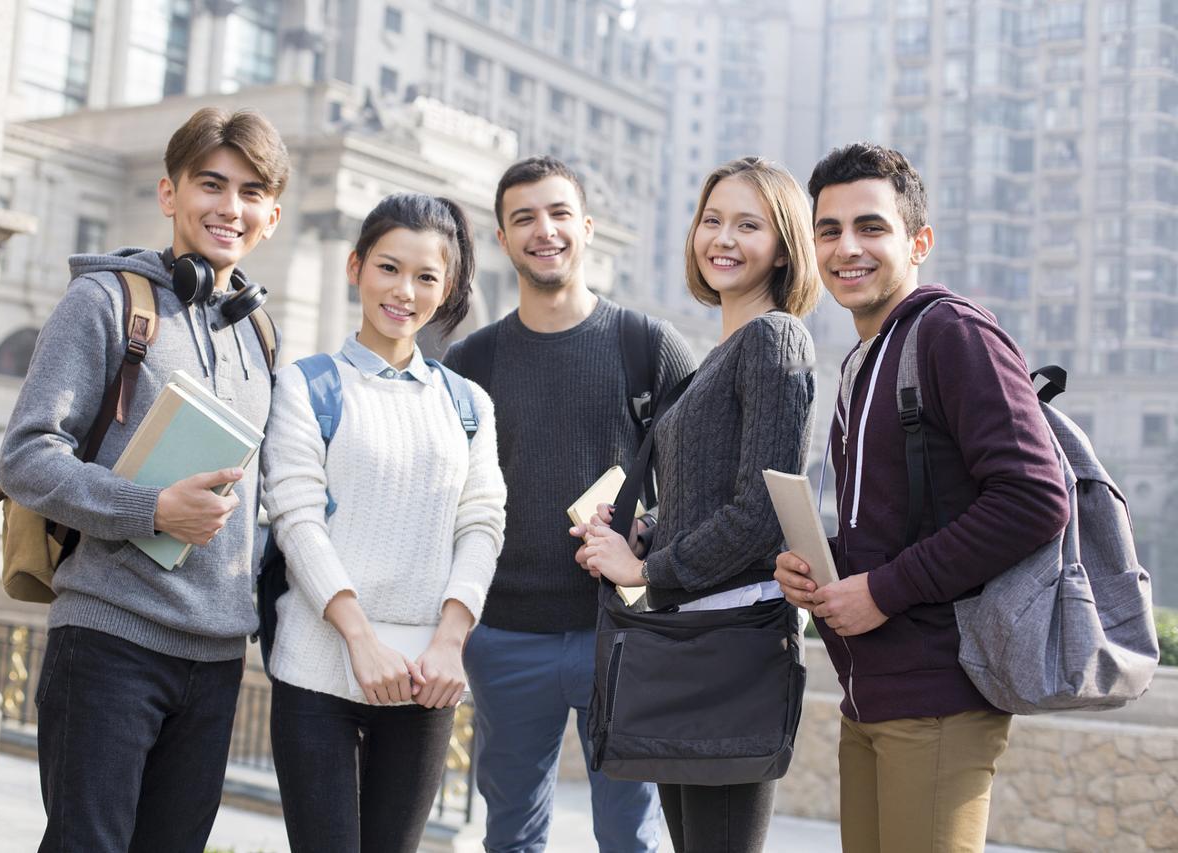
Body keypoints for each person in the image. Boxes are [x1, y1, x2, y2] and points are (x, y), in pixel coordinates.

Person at [0, 107, 288, 852]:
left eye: (251, 192)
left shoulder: (260, 333)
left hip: (217, 659)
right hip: (108, 642)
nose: (230, 207)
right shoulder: (103, 302)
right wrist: (152, 508)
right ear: (169, 193)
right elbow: (26, 456)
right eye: (211, 184)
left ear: (273, 215)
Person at [774, 142, 1070, 853]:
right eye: (829, 230)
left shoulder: (953, 334)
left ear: (919, 242)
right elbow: (899, 521)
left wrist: (883, 589)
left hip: (939, 699)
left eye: (871, 227)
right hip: (870, 694)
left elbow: (1033, 497)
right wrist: (823, 568)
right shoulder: (865, 359)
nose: (848, 247)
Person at [442, 156, 692, 853]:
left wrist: (645, 532)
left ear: (587, 227)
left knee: (631, 837)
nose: (543, 230)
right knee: (511, 836)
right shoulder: (470, 363)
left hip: (623, 631)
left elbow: (702, 485)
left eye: (558, 214)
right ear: (502, 238)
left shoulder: (649, 347)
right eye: (523, 218)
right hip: (504, 637)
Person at [575, 157, 821, 852]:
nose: (723, 238)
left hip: (732, 642)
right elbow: (708, 494)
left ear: (784, 248)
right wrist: (643, 530)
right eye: (712, 220)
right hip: (690, 635)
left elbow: (761, 514)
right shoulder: (722, 353)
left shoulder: (776, 339)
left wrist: (644, 569)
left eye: (749, 224)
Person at [259, 192, 506, 853]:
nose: (404, 291)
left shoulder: (468, 405)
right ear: (356, 267)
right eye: (389, 268)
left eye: (426, 277)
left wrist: (451, 641)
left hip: (427, 678)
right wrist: (360, 640)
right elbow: (295, 518)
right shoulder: (306, 386)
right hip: (317, 669)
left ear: (446, 288)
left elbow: (482, 523)